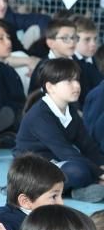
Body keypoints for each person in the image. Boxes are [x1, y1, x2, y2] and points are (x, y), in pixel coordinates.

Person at [15, 58, 104, 203]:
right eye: (69, 81)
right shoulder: (40, 115)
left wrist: (102, 164)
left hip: (56, 163)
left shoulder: (70, 109)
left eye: (77, 80)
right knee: (78, 171)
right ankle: (76, 189)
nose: (76, 86)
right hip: (31, 169)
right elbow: (66, 151)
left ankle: (76, 191)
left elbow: (87, 145)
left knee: (83, 167)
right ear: (50, 87)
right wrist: (100, 173)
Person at [0, 153, 65, 230]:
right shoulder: (6, 228)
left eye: (61, 195)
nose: (61, 203)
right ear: (25, 201)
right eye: (54, 196)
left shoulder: (45, 217)